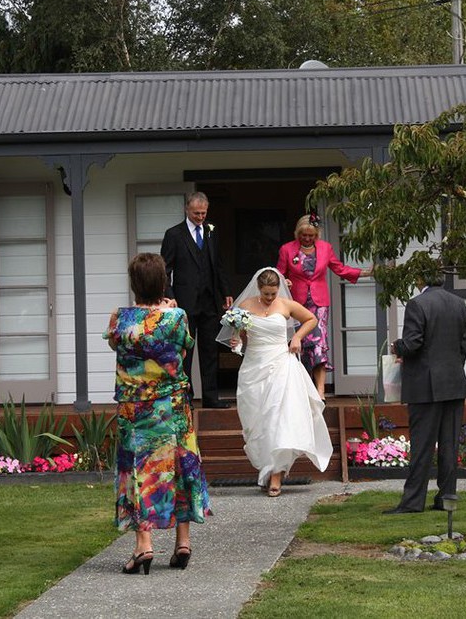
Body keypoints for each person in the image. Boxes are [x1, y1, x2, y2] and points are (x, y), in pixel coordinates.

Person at [104, 253, 211, 574]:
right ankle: (182, 542)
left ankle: (144, 546)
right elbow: (183, 345)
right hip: (173, 409)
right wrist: (168, 309)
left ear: (134, 284)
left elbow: (114, 345)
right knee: (179, 467)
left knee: (138, 471)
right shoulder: (176, 317)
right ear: (162, 282)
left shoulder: (119, 320)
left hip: (135, 411)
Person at [217, 267, 333, 497]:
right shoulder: (245, 306)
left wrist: (297, 337)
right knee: (257, 419)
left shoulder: (285, 305)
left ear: (278, 289)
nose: (270, 298)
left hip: (282, 363)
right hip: (254, 365)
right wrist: (236, 342)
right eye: (266, 293)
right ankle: (267, 467)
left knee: (278, 417)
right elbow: (240, 336)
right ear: (258, 288)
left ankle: (277, 474)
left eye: (273, 293)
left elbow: (311, 319)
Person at [383, 272, 466, 514]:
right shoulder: (458, 303)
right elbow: (463, 344)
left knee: (422, 446)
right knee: (449, 445)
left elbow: (413, 343)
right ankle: (446, 498)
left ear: (419, 279)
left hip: (425, 386)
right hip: (454, 382)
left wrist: (396, 346)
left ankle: (413, 502)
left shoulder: (417, 303)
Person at [276, 214, 370, 399]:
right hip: (297, 304)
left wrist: (365, 272)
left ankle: (320, 391)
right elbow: (277, 273)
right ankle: (302, 389)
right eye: (304, 235)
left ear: (317, 234)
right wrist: (283, 280)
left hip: (319, 304)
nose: (307, 238)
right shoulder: (287, 249)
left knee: (318, 344)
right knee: (299, 344)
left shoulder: (325, 248)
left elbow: (340, 269)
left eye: (311, 235)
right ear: (298, 233)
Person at [160, 191, 233, 408]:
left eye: (203, 213)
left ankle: (211, 397)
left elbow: (217, 264)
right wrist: (171, 298)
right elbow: (165, 270)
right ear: (187, 210)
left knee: (210, 350)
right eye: (196, 213)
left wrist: (225, 291)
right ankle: (186, 398)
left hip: (209, 301)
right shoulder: (174, 234)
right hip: (184, 302)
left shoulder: (212, 231)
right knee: (185, 353)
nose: (201, 217)